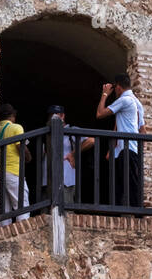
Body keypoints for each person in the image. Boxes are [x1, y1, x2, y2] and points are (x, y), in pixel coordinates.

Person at [96, 72, 145, 208]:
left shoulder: (124, 100)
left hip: (126, 149)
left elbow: (100, 113)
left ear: (118, 88)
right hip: (131, 149)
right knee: (128, 183)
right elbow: (142, 130)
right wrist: (112, 149)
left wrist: (105, 94)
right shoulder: (137, 103)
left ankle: (129, 214)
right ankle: (131, 213)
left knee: (123, 185)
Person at [42, 104, 95, 199]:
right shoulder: (46, 133)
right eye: (50, 115)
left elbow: (91, 140)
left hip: (65, 180)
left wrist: (73, 154)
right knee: (46, 212)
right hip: (47, 181)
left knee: (66, 211)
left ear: (62, 116)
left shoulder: (72, 130)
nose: (53, 117)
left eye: (56, 114)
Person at [0, 102, 30, 223]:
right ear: (13, 115)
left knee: (4, 211)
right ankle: (24, 235)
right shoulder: (16, 128)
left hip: (0, 173)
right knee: (22, 206)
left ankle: (3, 235)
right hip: (13, 172)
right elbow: (21, 148)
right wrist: (29, 157)